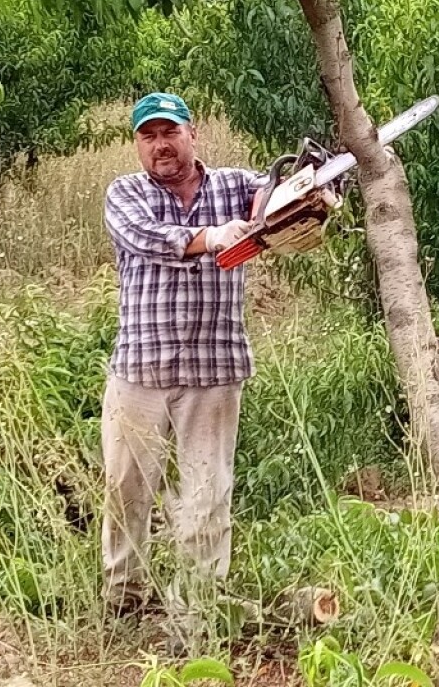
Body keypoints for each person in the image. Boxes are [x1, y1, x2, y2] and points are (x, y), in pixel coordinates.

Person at [99, 91, 257, 635]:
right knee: (126, 487)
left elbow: (279, 197)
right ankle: (123, 594)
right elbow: (146, 239)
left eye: (170, 132)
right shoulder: (126, 194)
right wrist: (212, 236)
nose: (161, 145)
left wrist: (293, 197)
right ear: (138, 144)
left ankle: (198, 609)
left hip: (213, 370)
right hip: (140, 369)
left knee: (208, 491)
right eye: (149, 135)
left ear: (193, 134)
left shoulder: (236, 185)